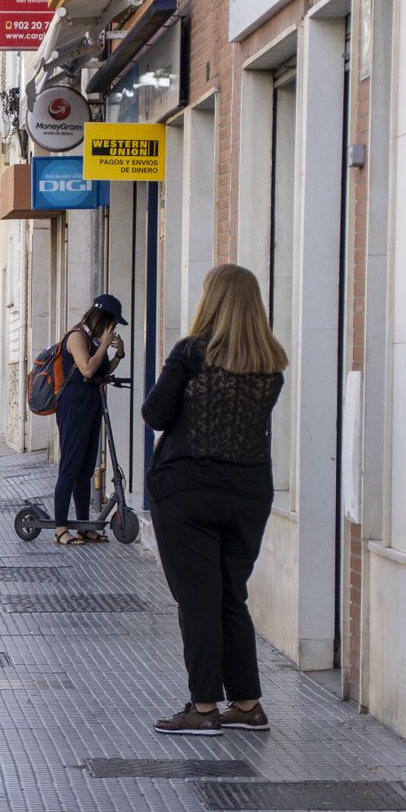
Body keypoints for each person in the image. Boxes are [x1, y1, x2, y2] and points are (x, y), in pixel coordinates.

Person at [143, 264, 287, 737]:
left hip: (187, 491)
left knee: (198, 601)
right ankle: (246, 704)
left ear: (211, 301)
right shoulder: (271, 363)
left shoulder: (190, 353)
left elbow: (156, 413)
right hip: (248, 493)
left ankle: (204, 707)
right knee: (231, 596)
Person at [52, 294, 127, 546]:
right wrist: (105, 345)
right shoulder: (77, 336)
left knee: (86, 468)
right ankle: (60, 528)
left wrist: (118, 355)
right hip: (74, 404)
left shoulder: (95, 340)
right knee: (70, 466)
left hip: (91, 403)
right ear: (102, 319)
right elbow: (86, 368)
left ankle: (83, 526)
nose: (113, 329)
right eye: (113, 324)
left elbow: (100, 372)